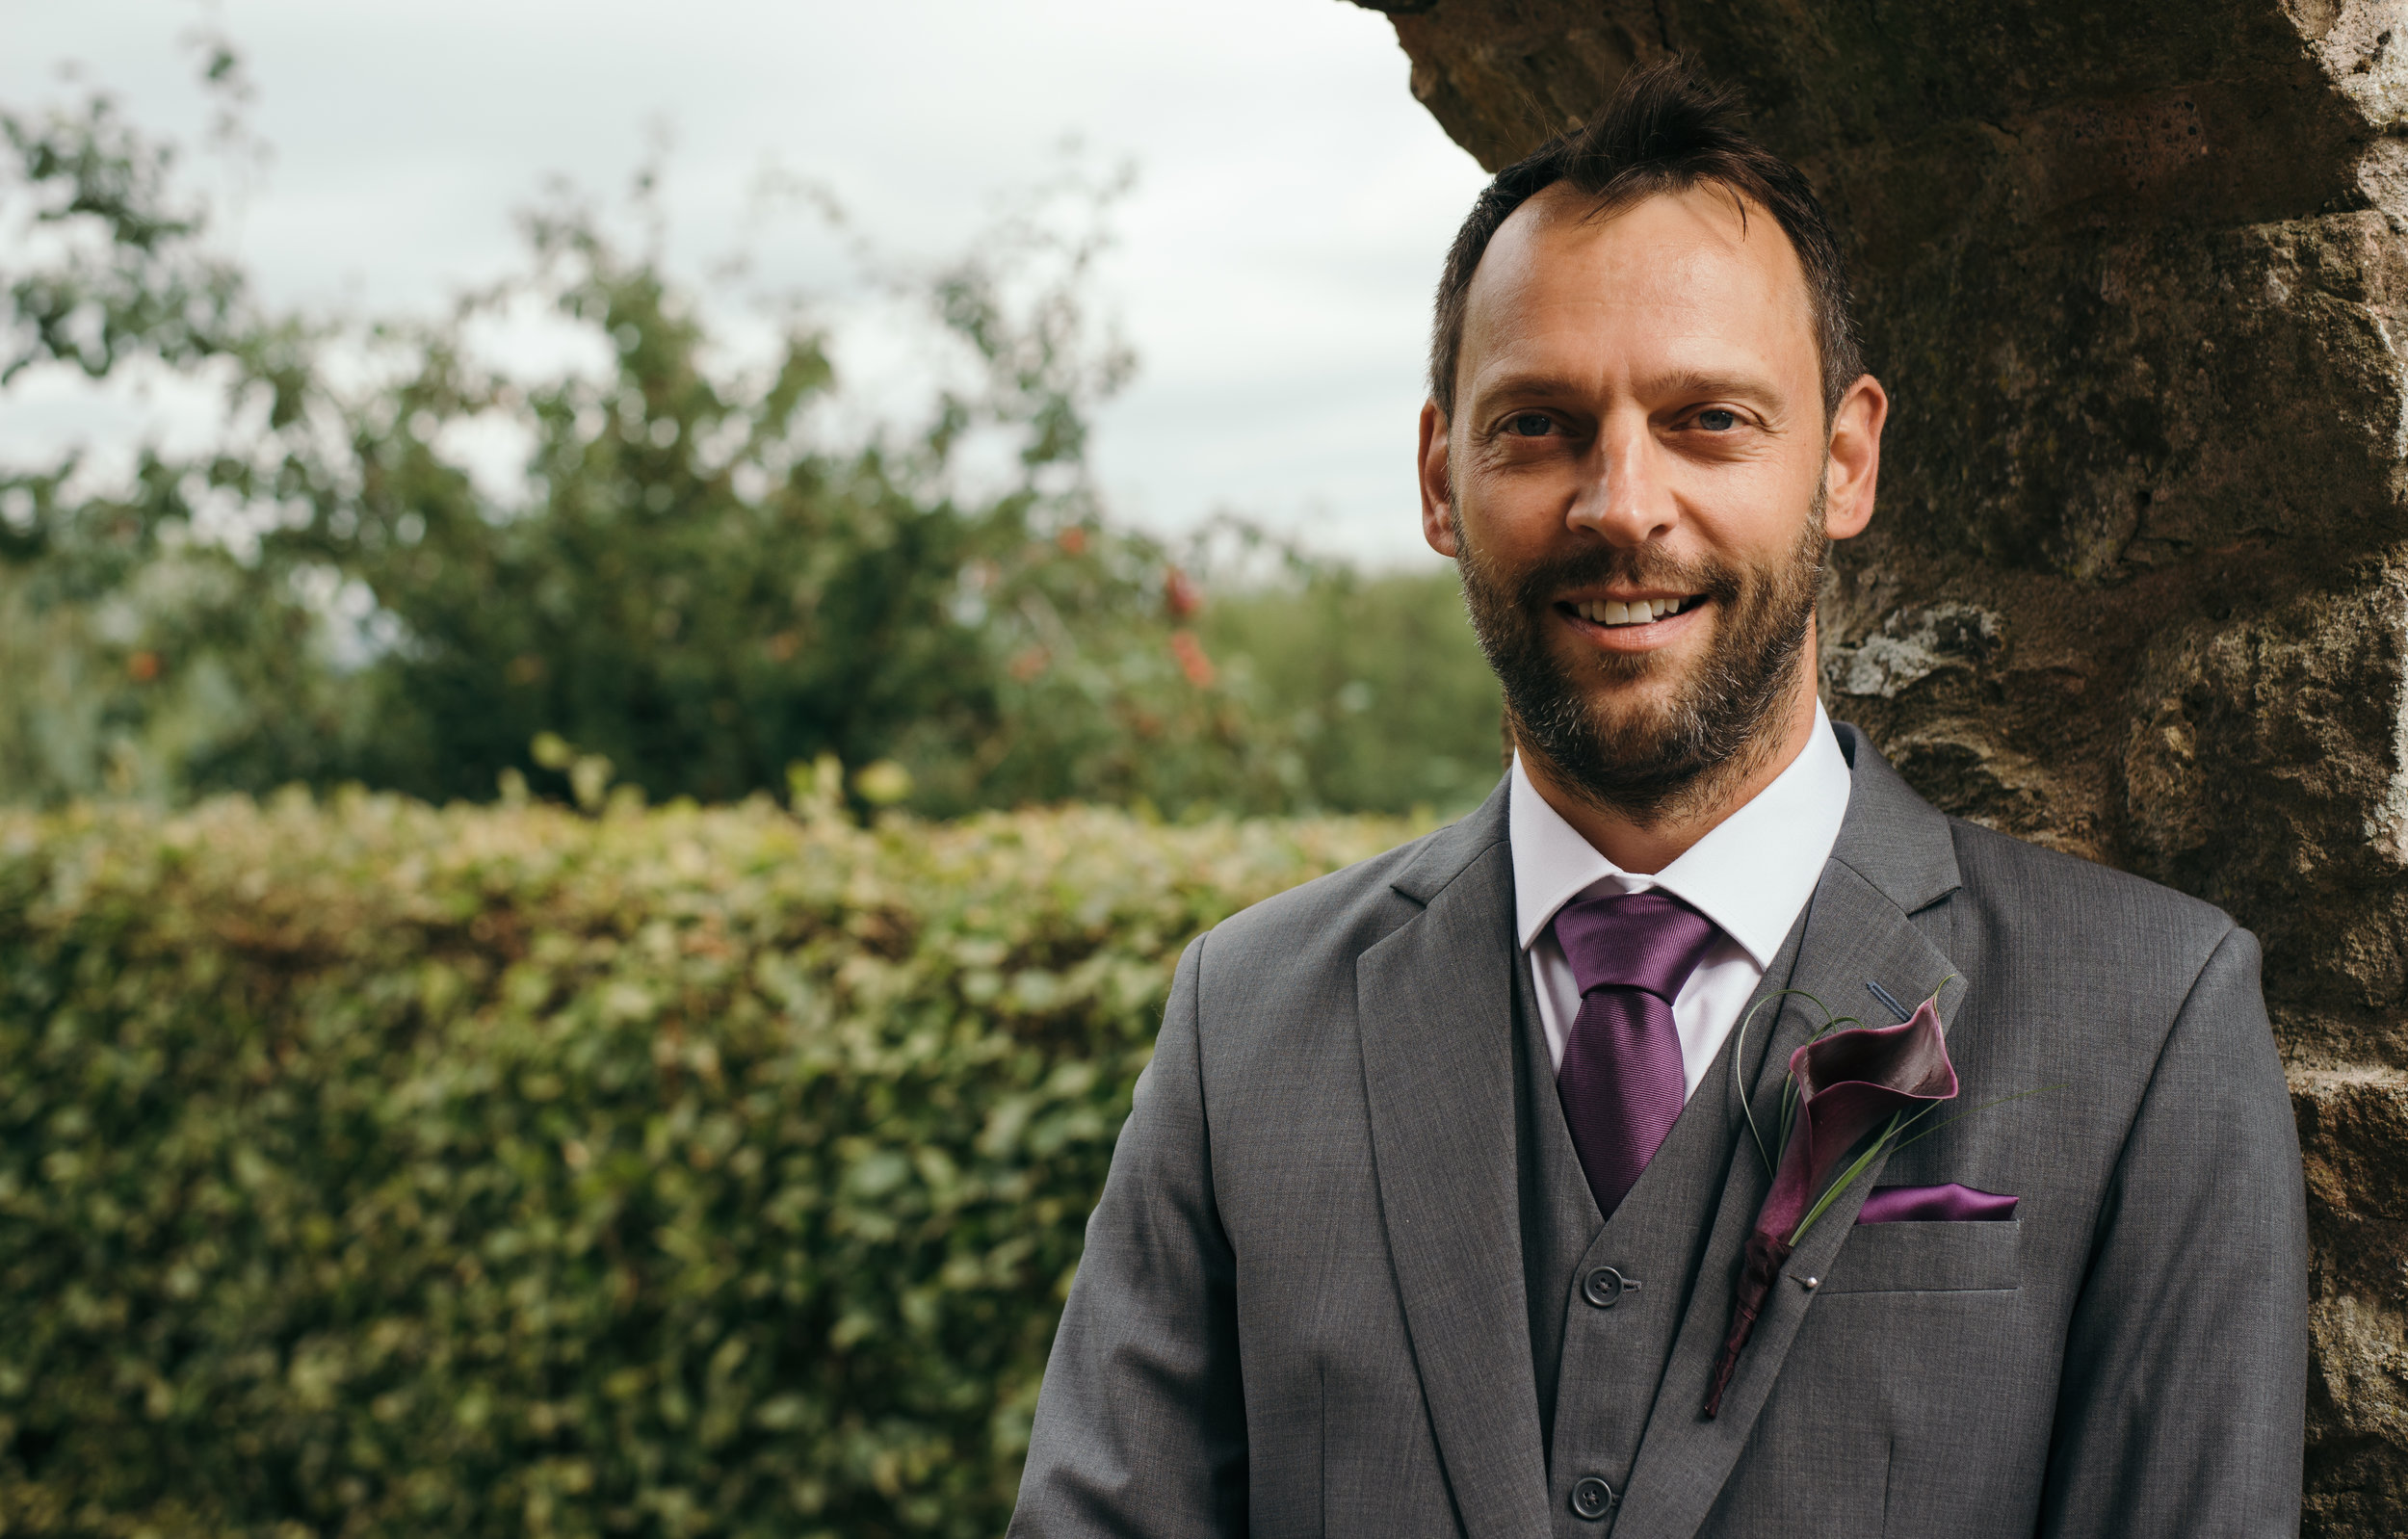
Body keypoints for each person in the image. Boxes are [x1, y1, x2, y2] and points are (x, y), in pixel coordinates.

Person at [1007, 57, 2306, 1539]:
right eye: (1540, 424)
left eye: (1709, 419)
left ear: (1845, 458)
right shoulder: (1242, 1025)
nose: (1622, 502)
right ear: (1442, 477)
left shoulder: (2152, 1019)